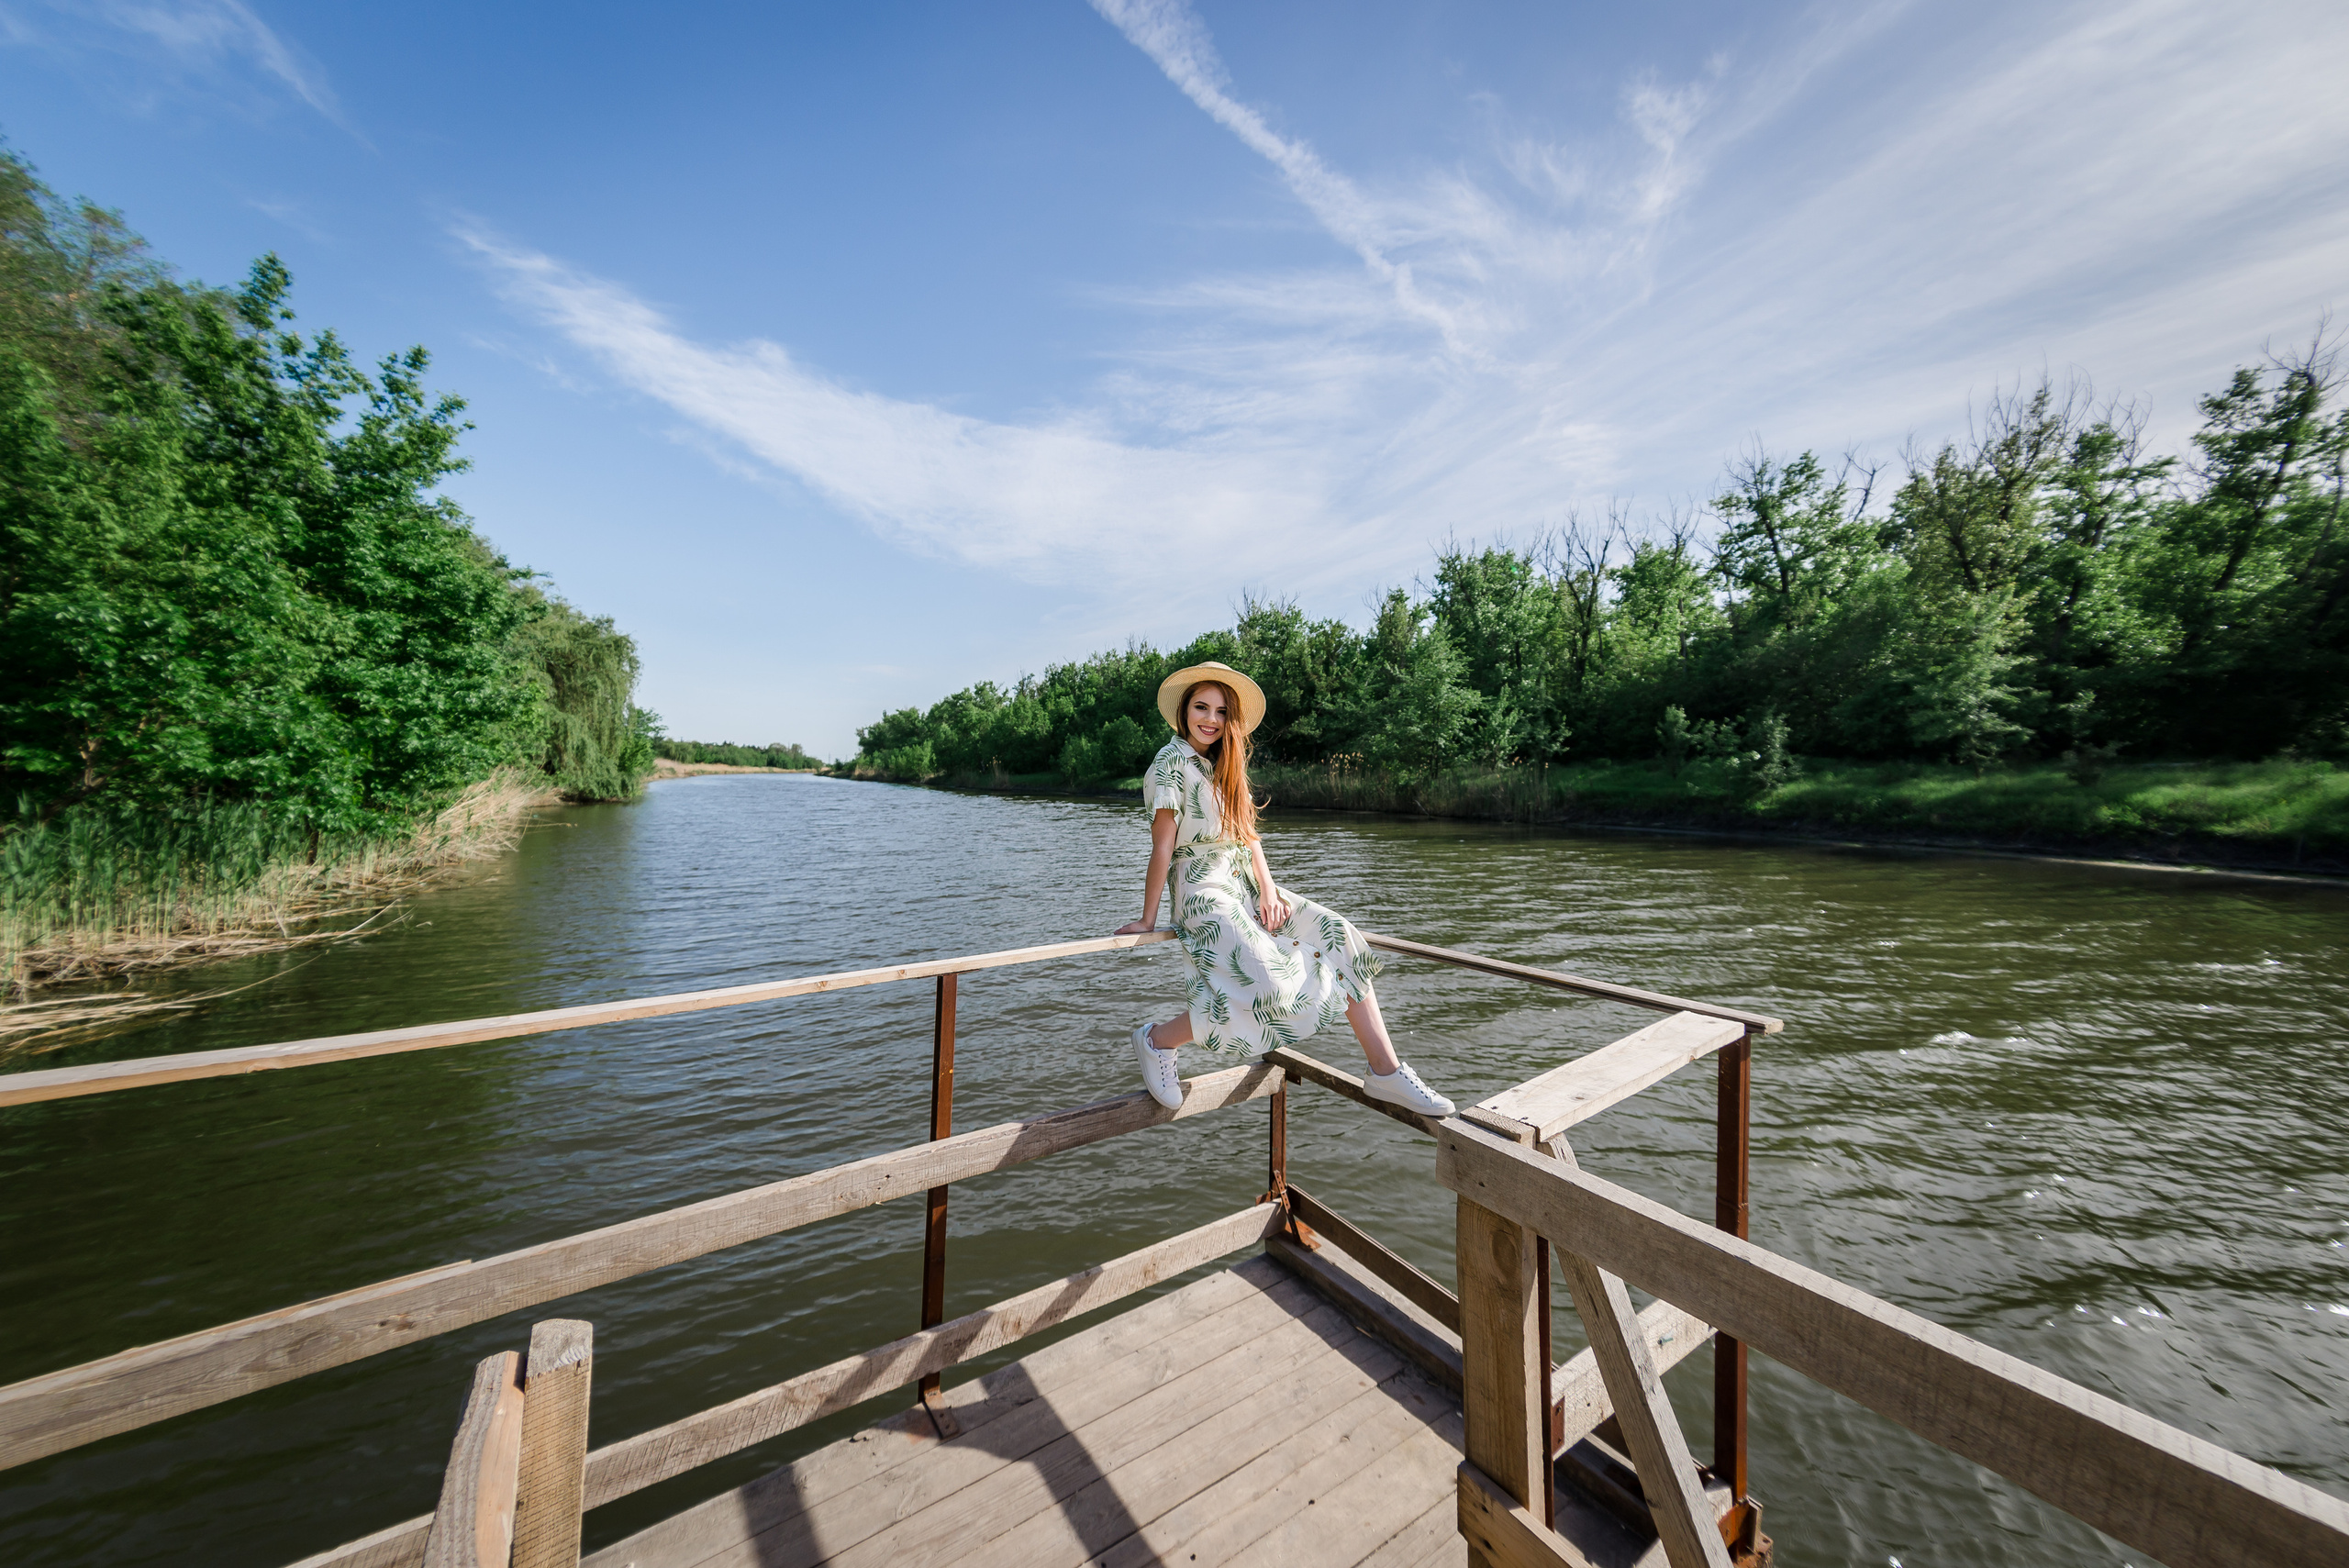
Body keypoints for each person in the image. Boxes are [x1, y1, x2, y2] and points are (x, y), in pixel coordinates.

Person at [1113, 661, 1456, 1117]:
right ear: (1184, 711)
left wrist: (1270, 891)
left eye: (1221, 711)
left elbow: (1249, 835)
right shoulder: (1170, 763)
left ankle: (1386, 1072)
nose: (1211, 719)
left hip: (1245, 882)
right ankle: (1158, 1040)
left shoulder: (1225, 763)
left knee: (1336, 933)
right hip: (1202, 888)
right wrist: (1148, 919)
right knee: (1263, 980)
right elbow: (1162, 846)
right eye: (1201, 707)